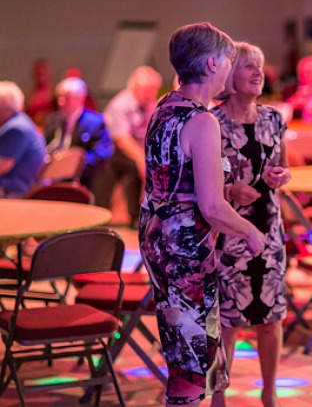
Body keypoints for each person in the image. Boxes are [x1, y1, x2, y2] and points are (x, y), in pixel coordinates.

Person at [138, 23, 266, 407]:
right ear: (213, 63)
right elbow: (211, 206)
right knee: (193, 363)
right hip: (185, 251)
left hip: (158, 240)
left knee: (184, 352)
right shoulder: (201, 121)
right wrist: (251, 232)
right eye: (228, 61)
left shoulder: (165, 106)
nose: (229, 69)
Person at [209, 42, 290, 407]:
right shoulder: (212, 121)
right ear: (229, 77)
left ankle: (269, 393)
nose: (259, 72)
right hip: (228, 232)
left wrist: (279, 176)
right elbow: (199, 182)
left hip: (269, 228)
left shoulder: (274, 118)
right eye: (248, 67)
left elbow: (284, 167)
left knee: (271, 319)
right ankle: (220, 395)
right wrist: (229, 190)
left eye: (259, 66)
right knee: (229, 320)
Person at [94, 66, 163, 228]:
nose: (151, 95)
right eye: (148, 90)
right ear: (135, 88)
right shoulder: (120, 105)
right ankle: (135, 216)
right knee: (133, 166)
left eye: (154, 90)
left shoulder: (149, 104)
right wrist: (142, 161)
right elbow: (122, 140)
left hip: (135, 150)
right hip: (110, 153)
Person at [43, 77, 113, 192]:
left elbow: (102, 154)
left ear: (80, 98)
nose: (61, 102)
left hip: (80, 180)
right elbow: (42, 146)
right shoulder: (52, 121)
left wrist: (72, 164)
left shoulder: (95, 123)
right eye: (59, 97)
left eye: (66, 98)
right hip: (49, 177)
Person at [0, 81, 47, 198]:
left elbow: (2, 167)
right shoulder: (21, 121)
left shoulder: (16, 129)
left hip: (13, 192)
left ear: (5, 108)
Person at [25, 58, 55, 129]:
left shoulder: (55, 93)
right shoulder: (29, 95)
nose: (41, 76)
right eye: (38, 73)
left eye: (43, 73)